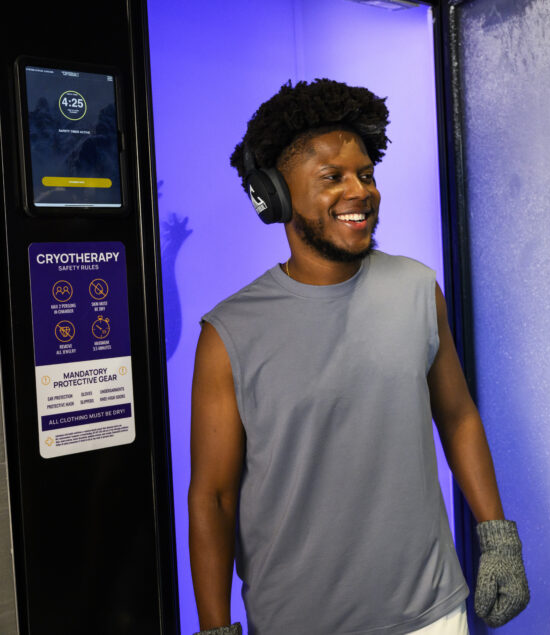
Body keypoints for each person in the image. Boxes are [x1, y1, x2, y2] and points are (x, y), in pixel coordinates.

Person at [188, 79, 529, 635]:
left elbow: (459, 416)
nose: (360, 191)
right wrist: (214, 627)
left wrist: (497, 536)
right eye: (333, 178)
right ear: (272, 195)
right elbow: (214, 496)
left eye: (366, 175)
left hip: (432, 614)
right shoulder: (228, 334)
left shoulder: (418, 287)